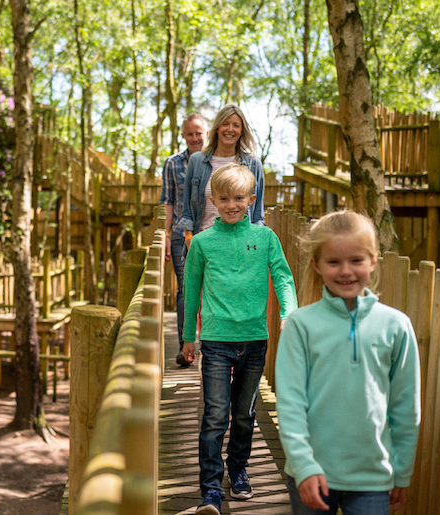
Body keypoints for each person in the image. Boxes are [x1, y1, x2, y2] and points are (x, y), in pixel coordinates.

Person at [275, 210, 420, 515]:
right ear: (316, 264)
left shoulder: (396, 325)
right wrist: (303, 465)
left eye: (356, 260)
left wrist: (401, 470)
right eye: (334, 262)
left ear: (374, 260)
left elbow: (406, 407)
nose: (346, 271)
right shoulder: (301, 325)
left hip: (373, 478)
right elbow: (290, 404)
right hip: (311, 473)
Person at [182, 164, 297, 515]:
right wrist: (189, 338)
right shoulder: (201, 243)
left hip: (254, 339)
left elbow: (283, 277)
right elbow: (191, 291)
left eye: (239, 198)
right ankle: (211, 490)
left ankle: (239, 469)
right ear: (213, 200)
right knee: (216, 415)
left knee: (245, 413)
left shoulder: (265, 239)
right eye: (224, 198)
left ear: (251, 199)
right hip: (216, 341)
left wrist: (288, 313)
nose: (231, 205)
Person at [177, 104, 266, 366]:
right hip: (205, 240)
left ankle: (229, 358)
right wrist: (190, 240)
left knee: (232, 299)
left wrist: (257, 246)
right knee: (202, 299)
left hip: (239, 242)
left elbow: (257, 213)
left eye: (236, 125)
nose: (230, 129)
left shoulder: (252, 164)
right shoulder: (197, 161)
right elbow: (187, 209)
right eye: (226, 124)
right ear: (216, 128)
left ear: (242, 131)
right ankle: (211, 354)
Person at [159, 113, 208, 367]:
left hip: (210, 235)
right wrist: (166, 235)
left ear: (207, 133)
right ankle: (184, 346)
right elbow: (167, 202)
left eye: (198, 133)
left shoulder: (212, 162)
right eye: (189, 133)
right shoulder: (172, 164)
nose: (194, 138)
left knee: (211, 290)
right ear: (183, 135)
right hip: (181, 235)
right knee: (184, 289)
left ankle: (211, 346)